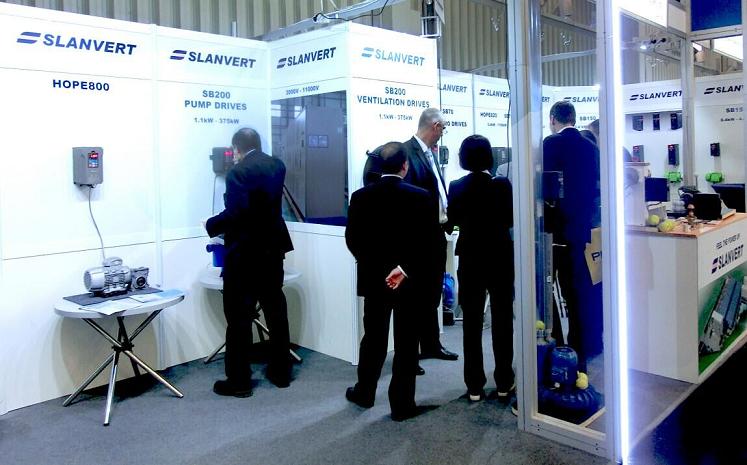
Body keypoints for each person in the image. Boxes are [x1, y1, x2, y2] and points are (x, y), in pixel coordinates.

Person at [344, 142, 439, 421]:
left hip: (375, 281)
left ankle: (365, 392)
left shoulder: (360, 197)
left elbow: (353, 239)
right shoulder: (421, 197)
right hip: (409, 282)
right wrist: (403, 269)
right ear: (405, 166)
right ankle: (402, 404)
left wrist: (378, 267)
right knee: (407, 342)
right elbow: (428, 244)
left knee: (373, 338)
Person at [206, 127, 294, 397]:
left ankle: (239, 381)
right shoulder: (277, 165)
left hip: (244, 254)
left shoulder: (237, 172)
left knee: (238, 318)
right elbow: (263, 206)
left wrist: (211, 224)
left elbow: (237, 212)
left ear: (236, 149)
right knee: (275, 312)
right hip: (272, 250)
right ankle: (281, 372)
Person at [447, 135, 515, 402]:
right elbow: (510, 218)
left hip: (470, 258)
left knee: (472, 322)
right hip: (500, 256)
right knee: (502, 319)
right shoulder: (502, 185)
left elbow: (452, 220)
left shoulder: (456, 186)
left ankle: (474, 385)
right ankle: (504, 381)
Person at [543, 101, 600, 373]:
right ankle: (579, 352)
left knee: (547, 291)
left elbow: (544, 185)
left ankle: (556, 346)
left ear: (553, 119)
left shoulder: (550, 144)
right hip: (580, 231)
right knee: (576, 293)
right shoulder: (591, 147)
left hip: (554, 232)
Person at [401, 108, 459, 365]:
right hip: (418, 237)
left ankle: (431, 345)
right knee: (415, 297)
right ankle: (410, 356)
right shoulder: (407, 152)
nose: (443, 133)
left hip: (436, 234)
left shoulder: (430, 153)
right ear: (435, 126)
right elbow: (407, 197)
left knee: (432, 293)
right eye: (443, 128)